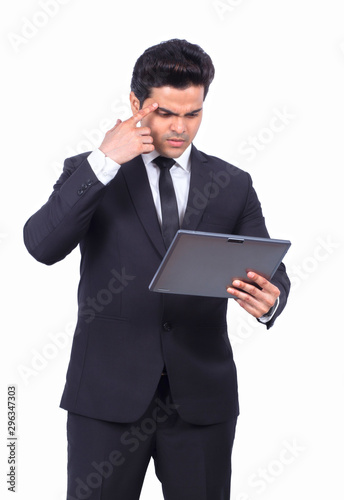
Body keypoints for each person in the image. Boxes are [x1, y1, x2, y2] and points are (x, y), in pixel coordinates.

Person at [23, 38, 290, 500]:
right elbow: (42, 245)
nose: (181, 129)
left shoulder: (232, 184)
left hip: (201, 402)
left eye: (193, 114)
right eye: (166, 113)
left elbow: (265, 262)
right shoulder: (93, 172)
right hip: (106, 398)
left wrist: (272, 299)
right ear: (135, 104)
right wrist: (104, 161)